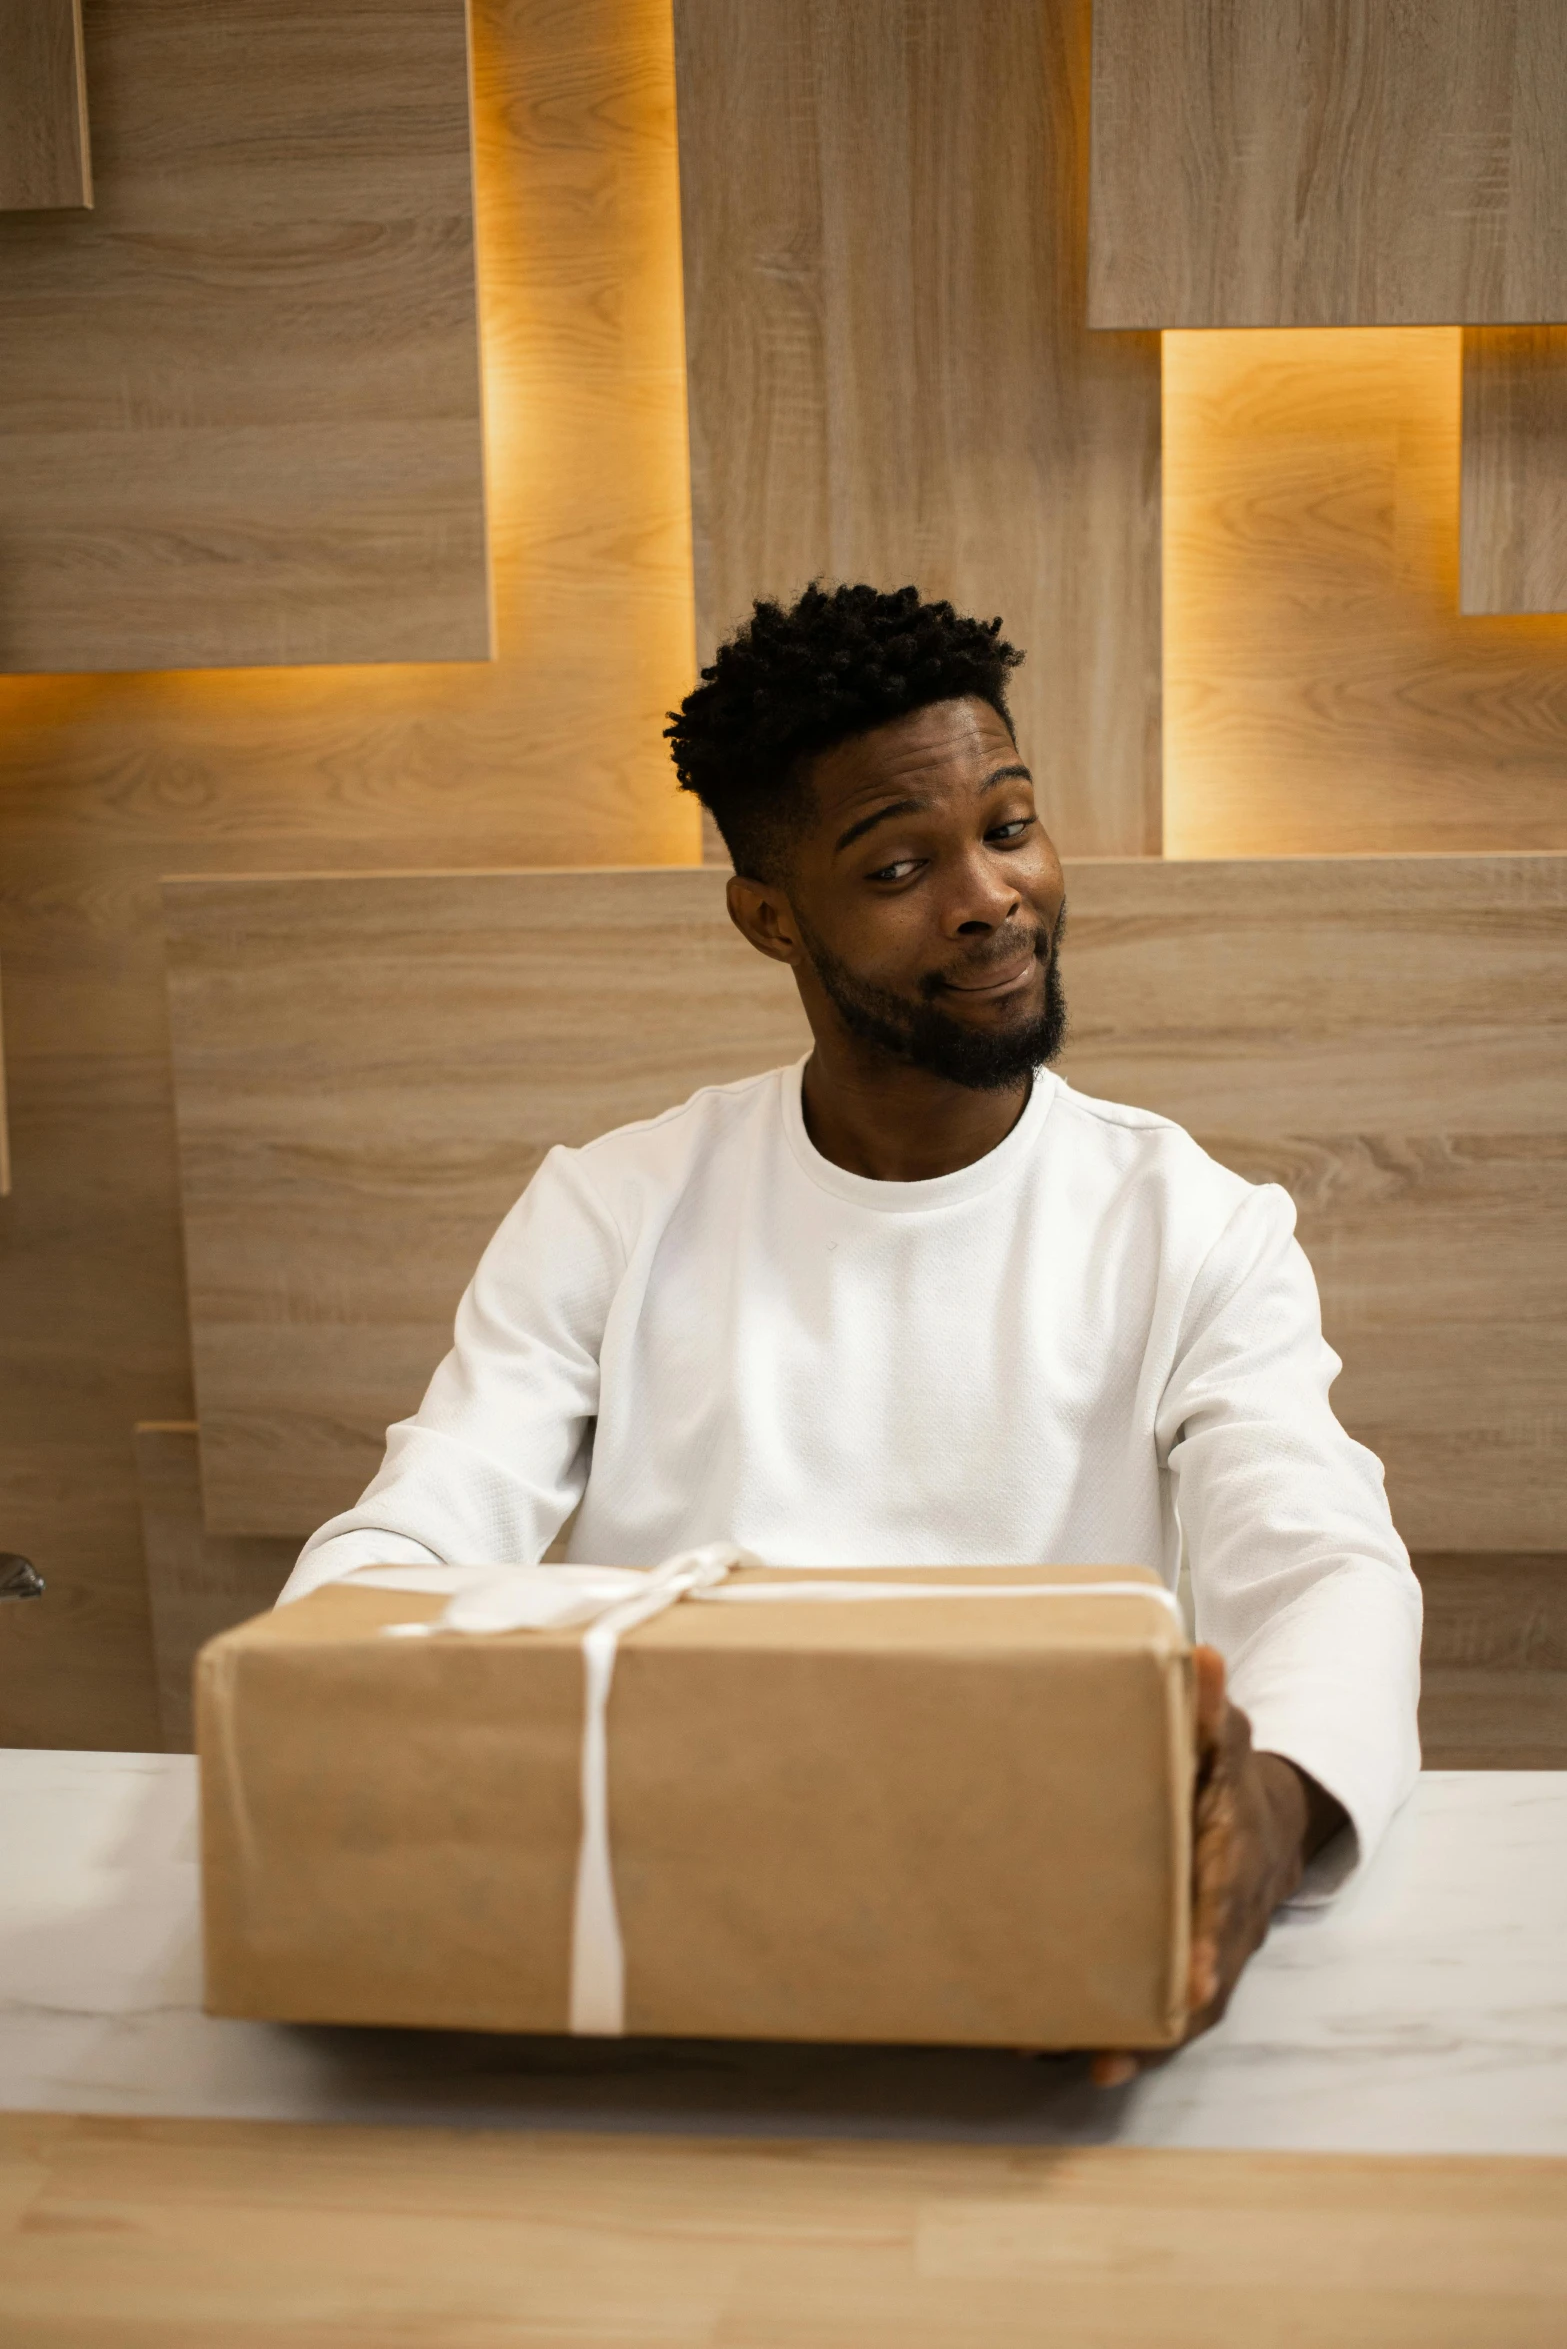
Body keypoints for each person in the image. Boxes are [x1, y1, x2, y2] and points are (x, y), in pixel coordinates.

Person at [283, 582, 1422, 2072]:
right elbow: (400, 1546)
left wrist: (1266, 1810)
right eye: (898, 863)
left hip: (1045, 1929)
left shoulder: (1191, 1224)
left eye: (1007, 828)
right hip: (665, 1943)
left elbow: (1325, 1563)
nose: (986, 896)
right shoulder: (611, 1208)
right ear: (770, 917)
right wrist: (354, 1723)